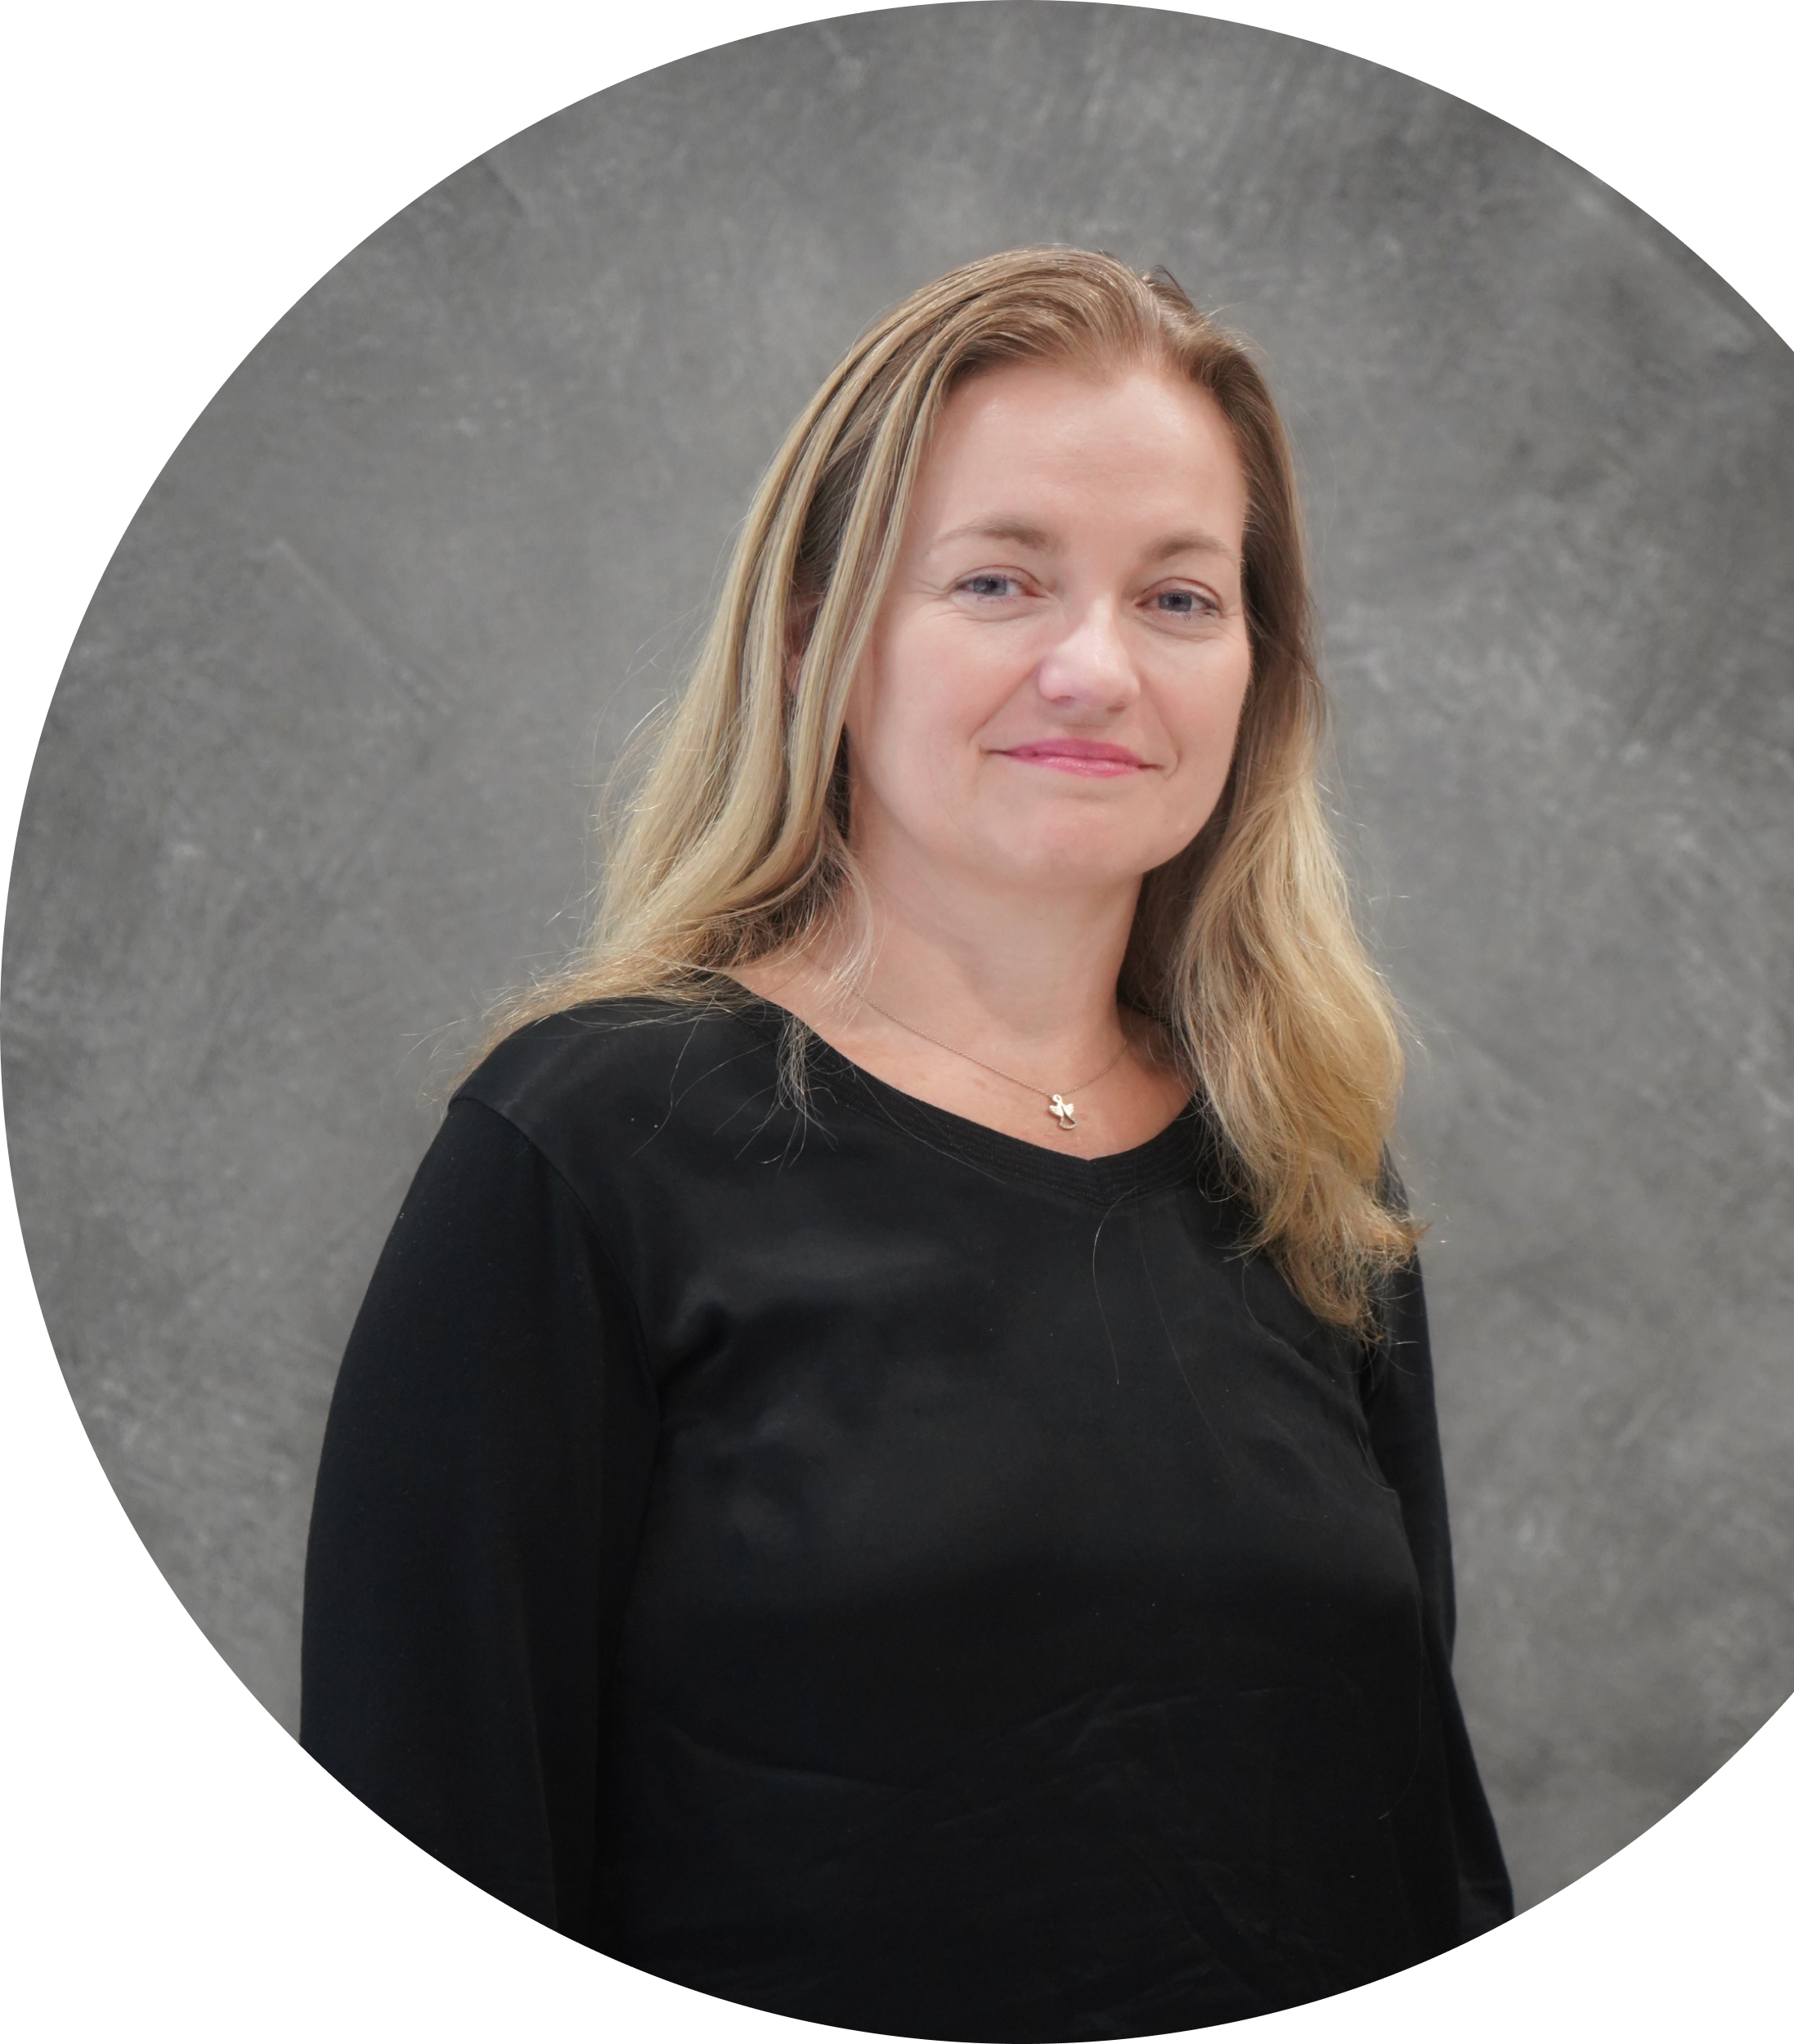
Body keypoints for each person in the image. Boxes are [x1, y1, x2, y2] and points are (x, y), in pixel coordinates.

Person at [299, 245, 1514, 2039]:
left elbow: (1425, 1861)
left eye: (1179, 598)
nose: (1094, 667)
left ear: (1254, 669)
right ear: (819, 638)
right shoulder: (584, 1150)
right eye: (999, 578)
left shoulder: (1308, 1173)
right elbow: (410, 1892)